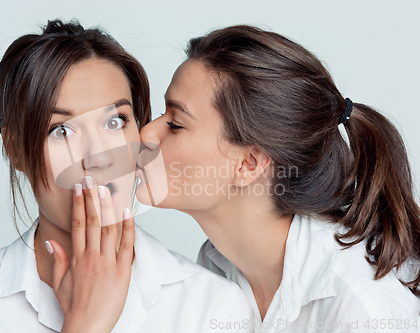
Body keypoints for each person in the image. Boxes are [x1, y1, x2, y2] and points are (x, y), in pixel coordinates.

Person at [0, 20, 253, 333]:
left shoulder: (215, 306)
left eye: (115, 122)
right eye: (61, 130)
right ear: (16, 149)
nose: (98, 158)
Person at [136, 25, 420, 332]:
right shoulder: (218, 264)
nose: (147, 133)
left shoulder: (364, 310)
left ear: (249, 163)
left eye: (175, 124)